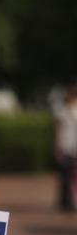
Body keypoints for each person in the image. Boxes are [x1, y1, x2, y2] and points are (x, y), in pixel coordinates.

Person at [50, 83, 77, 211]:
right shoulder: (63, 111)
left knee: (72, 176)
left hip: (74, 146)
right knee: (65, 175)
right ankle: (64, 201)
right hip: (65, 145)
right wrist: (58, 146)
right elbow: (58, 130)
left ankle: (70, 200)